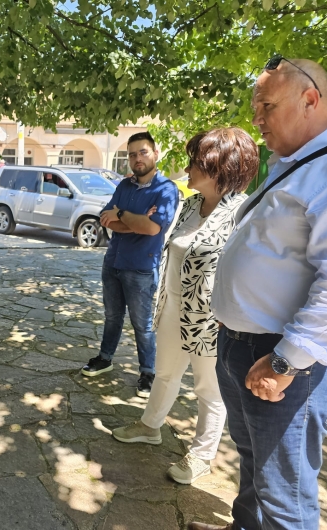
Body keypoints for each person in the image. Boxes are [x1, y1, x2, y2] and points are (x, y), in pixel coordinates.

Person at [189, 59, 327, 530]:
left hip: (283, 359)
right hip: (243, 345)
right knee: (253, 462)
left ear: (310, 99)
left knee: (284, 496)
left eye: (266, 106)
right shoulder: (297, 166)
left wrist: (285, 362)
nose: (256, 118)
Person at [110, 128, 259, 486]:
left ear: (219, 168)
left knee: (209, 388)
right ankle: (150, 426)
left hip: (210, 318)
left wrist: (232, 315)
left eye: (195, 162)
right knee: (165, 372)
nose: (188, 168)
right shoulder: (191, 204)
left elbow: (248, 269)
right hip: (173, 304)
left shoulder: (242, 212)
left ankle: (202, 455)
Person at [82, 131, 180, 398]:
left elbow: (152, 229)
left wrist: (122, 214)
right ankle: (105, 358)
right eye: (132, 154)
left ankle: (148, 372)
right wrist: (137, 221)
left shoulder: (166, 190)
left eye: (143, 152)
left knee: (143, 324)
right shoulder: (124, 186)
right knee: (112, 316)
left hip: (141, 267)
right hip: (113, 261)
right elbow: (106, 218)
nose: (137, 158)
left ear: (155, 153)